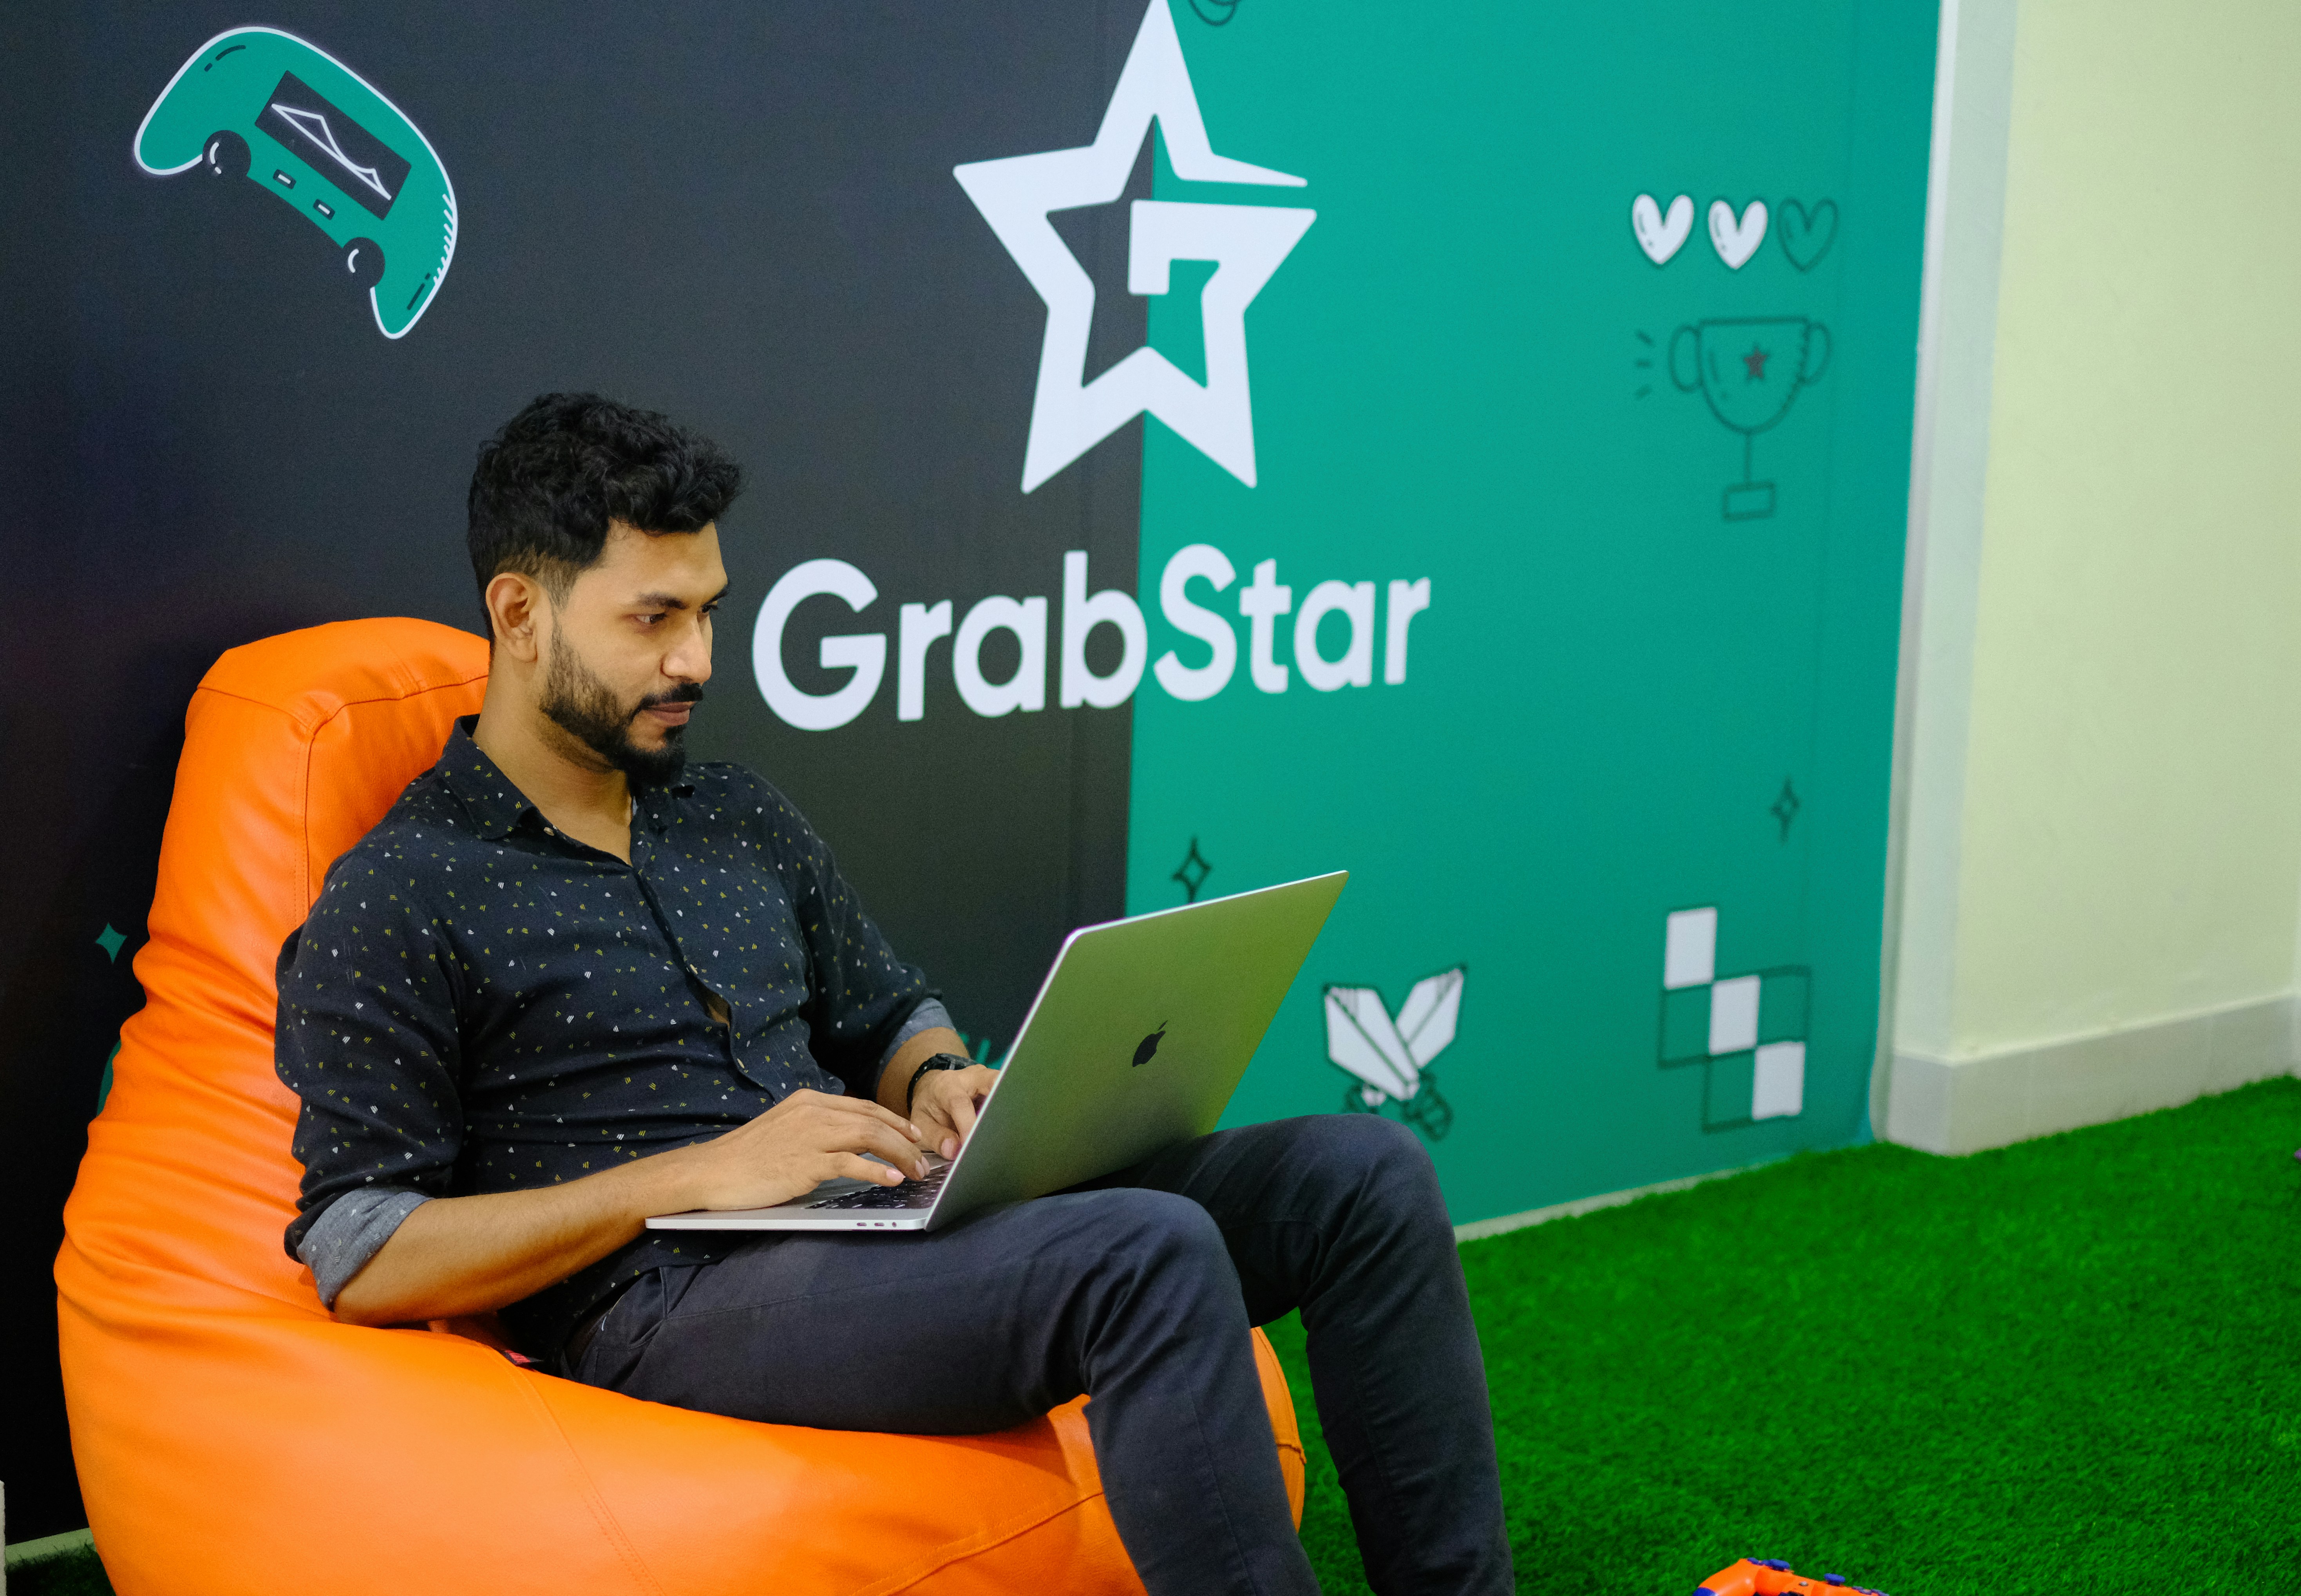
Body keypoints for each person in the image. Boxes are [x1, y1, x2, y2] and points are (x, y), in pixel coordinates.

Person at [274, 393, 1512, 1596]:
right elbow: (359, 1248)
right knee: (1146, 1254)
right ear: (519, 613)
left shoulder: (735, 813)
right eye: (652, 618)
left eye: (708, 611)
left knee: (1364, 1175)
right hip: (665, 1298)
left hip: (873, 1218)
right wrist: (693, 1176)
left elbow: (887, 1008)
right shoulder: (400, 889)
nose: (695, 659)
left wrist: (938, 1076)